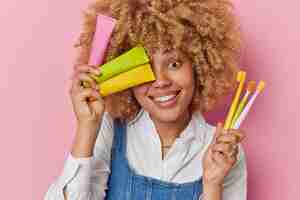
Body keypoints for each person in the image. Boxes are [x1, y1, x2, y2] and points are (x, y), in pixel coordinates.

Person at [44, 0, 247, 199]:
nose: (160, 81)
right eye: (144, 67)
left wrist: (212, 184)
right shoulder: (109, 131)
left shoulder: (224, 152)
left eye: (174, 63)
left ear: (198, 66)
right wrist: (86, 129)